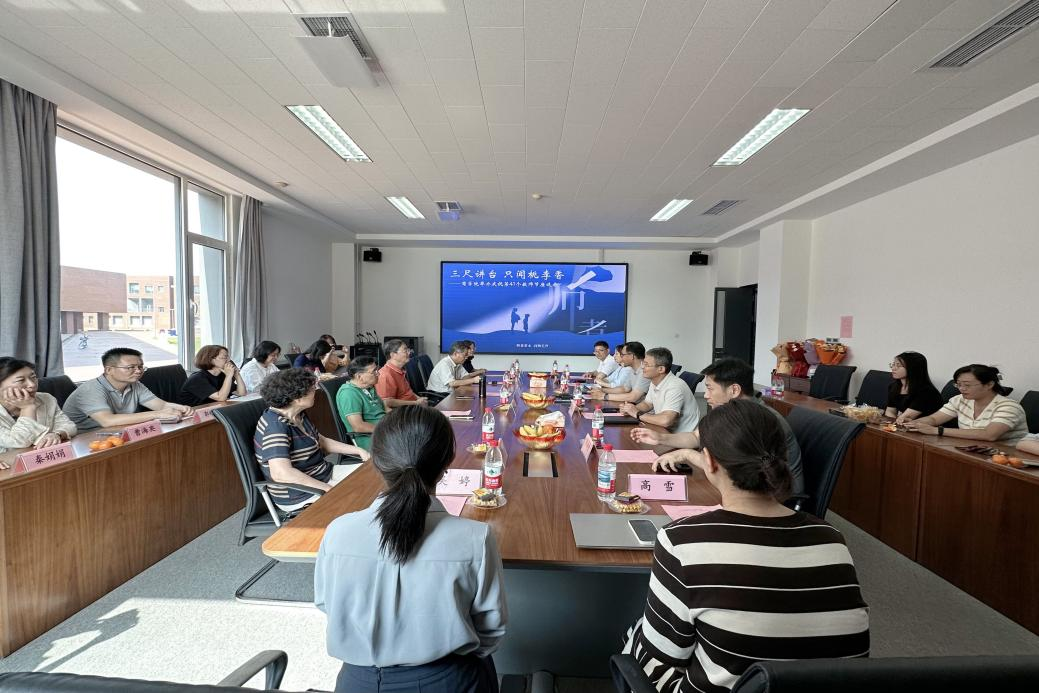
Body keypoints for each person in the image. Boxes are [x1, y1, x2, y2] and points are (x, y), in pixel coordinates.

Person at [620, 399, 870, 692]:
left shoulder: (681, 541)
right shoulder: (832, 537)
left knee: (638, 633)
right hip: (823, 685)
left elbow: (662, 654)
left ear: (708, 461)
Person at [315, 405, 506, 693]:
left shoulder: (337, 532)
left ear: (378, 461)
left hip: (357, 682)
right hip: (446, 680)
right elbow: (491, 629)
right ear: (446, 465)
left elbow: (326, 604)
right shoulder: (475, 537)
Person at [632, 357, 805, 496]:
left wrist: (687, 454)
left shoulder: (758, 420)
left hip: (776, 496)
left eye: (710, 389)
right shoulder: (730, 411)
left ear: (734, 390)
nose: (706, 396)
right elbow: (695, 437)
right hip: (747, 488)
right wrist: (660, 438)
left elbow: (730, 469)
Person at [255, 368, 370, 513]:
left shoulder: (298, 414)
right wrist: (327, 488)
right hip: (301, 492)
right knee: (362, 497)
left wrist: (358, 450)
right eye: (312, 389)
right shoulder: (276, 426)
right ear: (297, 398)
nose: (315, 391)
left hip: (323, 474)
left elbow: (321, 442)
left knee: (373, 473)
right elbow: (281, 473)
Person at [63, 348, 194, 431]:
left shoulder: (135, 384)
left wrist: (182, 408)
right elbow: (108, 421)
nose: (138, 371)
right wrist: (157, 414)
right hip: (85, 439)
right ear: (109, 370)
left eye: (140, 366)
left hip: (117, 431)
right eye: (130, 367)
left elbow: (161, 405)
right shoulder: (91, 390)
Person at [905, 364, 1028, 443]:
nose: (961, 389)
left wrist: (937, 431)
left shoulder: (1009, 407)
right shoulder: (960, 400)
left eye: (967, 385)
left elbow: (989, 435)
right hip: (971, 450)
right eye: (958, 384)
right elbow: (934, 419)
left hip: (1007, 459)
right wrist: (915, 423)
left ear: (989, 385)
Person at [0, 357, 77, 451]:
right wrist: (27, 408)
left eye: (33, 378)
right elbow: (19, 442)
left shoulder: (46, 398)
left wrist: (57, 434)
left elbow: (69, 426)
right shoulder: (29, 405)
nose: (32, 385)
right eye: (20, 380)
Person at [619, 347, 698, 432]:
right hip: (664, 430)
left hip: (679, 435)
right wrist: (630, 409)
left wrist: (637, 413)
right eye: (643, 363)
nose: (642, 367)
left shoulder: (674, 386)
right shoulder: (655, 381)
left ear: (661, 369)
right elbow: (647, 404)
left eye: (646, 365)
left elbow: (666, 421)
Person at [335, 357, 386, 451]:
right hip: (371, 439)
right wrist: (387, 428)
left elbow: (384, 409)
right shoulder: (349, 394)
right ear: (359, 376)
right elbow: (358, 426)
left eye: (377, 370)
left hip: (384, 431)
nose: (378, 373)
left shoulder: (369, 387)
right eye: (374, 371)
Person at [179, 345, 247, 406]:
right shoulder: (197, 379)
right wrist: (228, 376)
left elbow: (241, 393)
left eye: (228, 357)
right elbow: (221, 398)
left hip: (212, 408)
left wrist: (237, 374)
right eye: (224, 357)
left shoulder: (222, 375)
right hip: (194, 412)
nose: (228, 360)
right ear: (211, 360)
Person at [884, 351, 942, 423]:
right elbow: (890, 411)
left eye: (898, 365)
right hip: (906, 425)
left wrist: (895, 423)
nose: (893, 368)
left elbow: (906, 417)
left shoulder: (927, 391)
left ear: (913, 368)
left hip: (927, 427)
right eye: (893, 364)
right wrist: (891, 423)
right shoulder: (893, 387)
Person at [376, 339, 427, 408]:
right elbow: (387, 402)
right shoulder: (385, 375)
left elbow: (408, 392)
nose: (409, 353)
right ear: (393, 355)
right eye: (405, 351)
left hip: (413, 407)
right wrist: (416, 403)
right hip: (404, 411)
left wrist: (420, 399)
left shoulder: (399, 370)